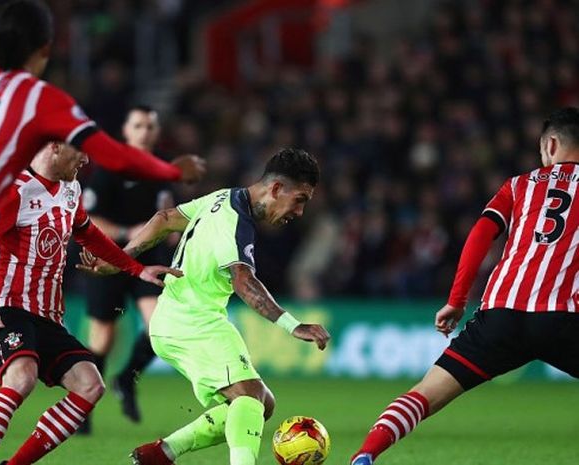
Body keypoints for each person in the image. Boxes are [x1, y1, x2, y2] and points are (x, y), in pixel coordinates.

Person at [0, 0, 205, 461]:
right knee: (0, 381)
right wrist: (172, 173)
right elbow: (115, 153)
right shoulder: (39, 106)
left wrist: (134, 269)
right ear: (45, 50)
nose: (85, 160)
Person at [349, 107, 579, 465]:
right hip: (564, 318)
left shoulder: (518, 185)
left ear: (551, 144)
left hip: (500, 315)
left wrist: (456, 301)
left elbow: (480, 235)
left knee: (424, 395)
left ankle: (365, 455)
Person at [79, 148, 331, 465]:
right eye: (300, 199)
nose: (300, 211)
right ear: (277, 189)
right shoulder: (236, 221)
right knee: (250, 396)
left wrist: (123, 257)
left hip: (187, 318)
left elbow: (165, 219)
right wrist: (293, 325)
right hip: (189, 321)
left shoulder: (224, 197)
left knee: (260, 404)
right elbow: (243, 281)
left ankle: (163, 452)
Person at [0, 141, 180, 465]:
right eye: (79, 150)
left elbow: (89, 234)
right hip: (8, 308)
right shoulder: (15, 190)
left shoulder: (70, 189)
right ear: (54, 147)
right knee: (21, 378)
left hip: (48, 315)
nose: (86, 158)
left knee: (90, 384)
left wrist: (136, 268)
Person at [82, 105, 173, 428]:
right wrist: (124, 233)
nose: (145, 131)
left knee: (160, 326)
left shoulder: (163, 168)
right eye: (139, 126)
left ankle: (125, 379)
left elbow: (166, 213)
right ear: (127, 131)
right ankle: (84, 401)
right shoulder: (111, 167)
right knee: (102, 338)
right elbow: (88, 218)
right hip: (108, 258)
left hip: (148, 259)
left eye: (150, 126)